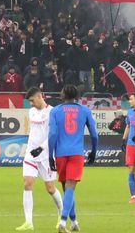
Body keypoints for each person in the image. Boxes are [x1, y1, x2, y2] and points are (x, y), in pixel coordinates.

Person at [47, 84, 98, 232]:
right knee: (70, 187)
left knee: (67, 188)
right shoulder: (84, 110)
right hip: (76, 153)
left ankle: (74, 222)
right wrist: (94, 151)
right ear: (77, 96)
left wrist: (50, 155)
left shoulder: (55, 111)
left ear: (62, 96)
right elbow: (94, 134)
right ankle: (63, 222)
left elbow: (52, 135)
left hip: (61, 153)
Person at [18, 88, 63, 231]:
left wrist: (41, 148)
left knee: (50, 188)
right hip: (31, 154)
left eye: (32, 100)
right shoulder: (31, 112)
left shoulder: (53, 112)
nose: (31, 103)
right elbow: (34, 132)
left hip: (46, 156)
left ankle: (62, 215)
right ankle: (28, 222)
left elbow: (53, 134)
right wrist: (33, 148)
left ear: (39, 96)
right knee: (27, 183)